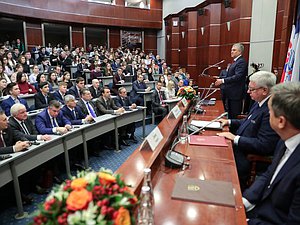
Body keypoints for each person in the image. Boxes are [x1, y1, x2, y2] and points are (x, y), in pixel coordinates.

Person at [243, 82, 300, 224]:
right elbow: (270, 173)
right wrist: (244, 201)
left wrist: (245, 221)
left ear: (281, 121)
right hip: (258, 208)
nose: (268, 115)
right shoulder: (286, 139)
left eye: (270, 112)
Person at [217, 71, 280, 189]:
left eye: (251, 89)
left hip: (248, 156)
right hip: (241, 147)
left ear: (264, 90)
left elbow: (264, 145)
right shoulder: (259, 102)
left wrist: (235, 138)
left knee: (219, 166)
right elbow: (248, 122)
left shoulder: (270, 110)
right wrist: (229, 121)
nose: (247, 92)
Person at [214, 43, 248, 119]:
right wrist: (219, 78)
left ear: (240, 52)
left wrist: (222, 80)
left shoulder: (241, 62)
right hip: (230, 93)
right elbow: (230, 76)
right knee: (230, 115)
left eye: (234, 50)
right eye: (231, 50)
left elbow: (238, 77)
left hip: (235, 94)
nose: (231, 51)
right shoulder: (235, 62)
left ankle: (233, 130)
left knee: (234, 115)